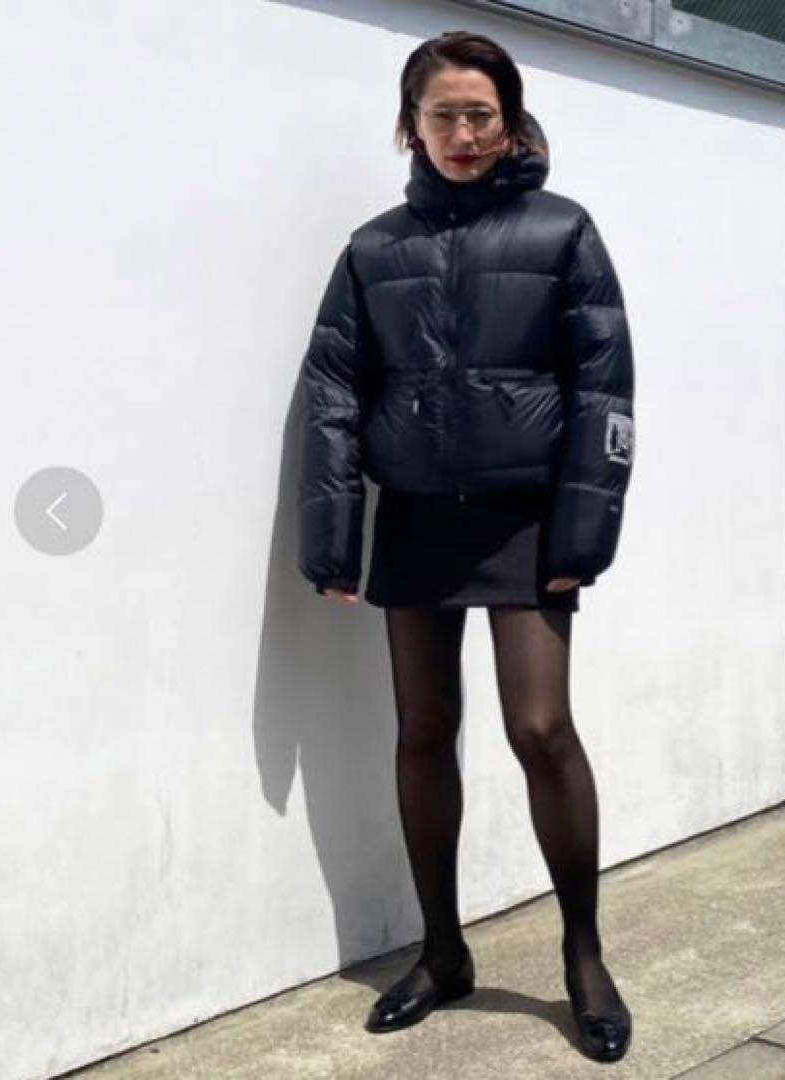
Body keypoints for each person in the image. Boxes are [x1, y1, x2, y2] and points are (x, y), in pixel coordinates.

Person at [297, 30, 636, 1064]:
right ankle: (443, 954)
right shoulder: (373, 249)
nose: (461, 133)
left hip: (527, 518)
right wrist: (333, 539)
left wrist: (584, 531)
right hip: (414, 518)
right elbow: (333, 393)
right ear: (411, 125)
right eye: (441, 114)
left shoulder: (563, 231)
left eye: (479, 114)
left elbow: (604, 389)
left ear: (510, 120)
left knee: (540, 728)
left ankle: (583, 956)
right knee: (422, 731)